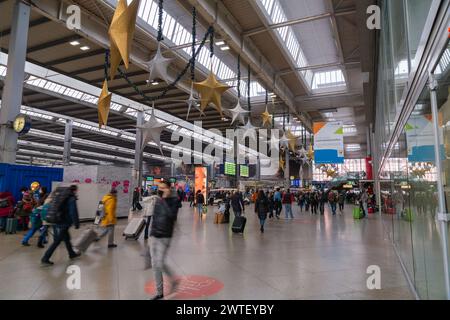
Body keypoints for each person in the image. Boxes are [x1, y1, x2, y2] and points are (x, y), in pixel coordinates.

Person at [149, 180, 180, 300]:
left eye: (163, 188)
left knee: (159, 263)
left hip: (165, 235)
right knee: (155, 265)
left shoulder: (174, 200)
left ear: (169, 188)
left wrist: (164, 200)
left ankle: (173, 280)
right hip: (154, 235)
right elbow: (155, 217)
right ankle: (159, 292)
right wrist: (151, 234)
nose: (160, 190)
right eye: (159, 187)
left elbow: (172, 216)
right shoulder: (158, 200)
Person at [41, 185, 81, 266]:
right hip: (65, 222)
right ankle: (45, 258)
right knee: (57, 241)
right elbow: (73, 212)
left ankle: (71, 253)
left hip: (58, 220)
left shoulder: (61, 196)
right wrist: (76, 223)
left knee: (67, 239)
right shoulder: (71, 198)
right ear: (75, 190)